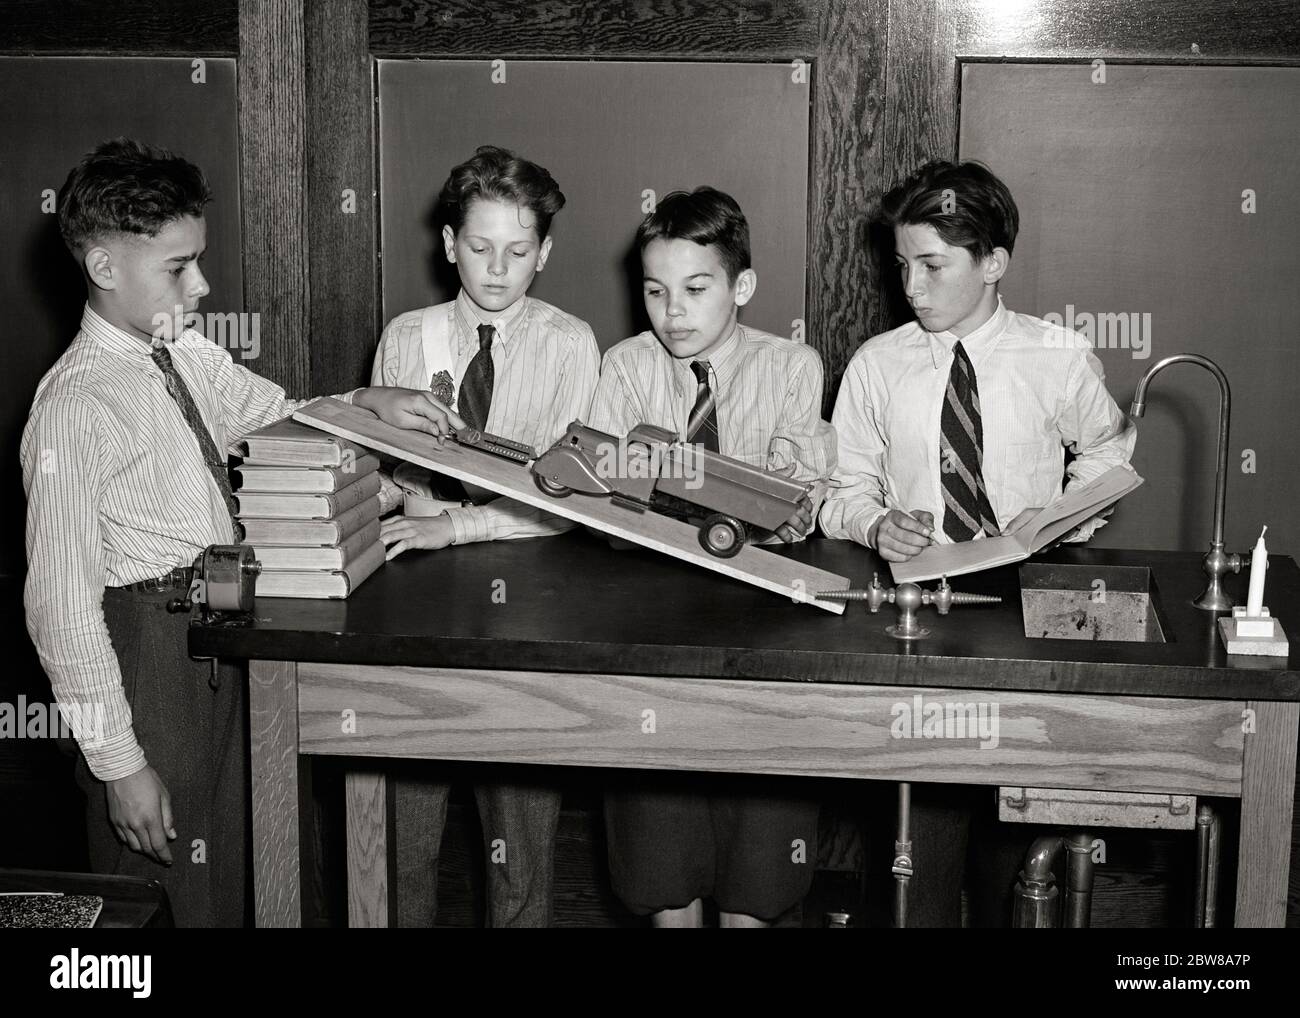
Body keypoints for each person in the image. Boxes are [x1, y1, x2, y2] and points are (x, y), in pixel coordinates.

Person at [21, 137, 451, 927]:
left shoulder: (181, 349)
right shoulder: (72, 410)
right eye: (178, 267)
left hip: (223, 633)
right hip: (147, 661)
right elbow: (60, 608)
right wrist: (120, 764)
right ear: (104, 267)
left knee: (247, 876)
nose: (203, 284)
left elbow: (273, 413)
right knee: (161, 896)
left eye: (199, 260)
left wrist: (368, 399)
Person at [818, 159, 1136, 926]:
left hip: (1027, 612)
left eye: (933, 265)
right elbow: (841, 491)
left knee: (1016, 858)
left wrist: (1059, 516)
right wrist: (872, 522)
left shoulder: (1054, 354)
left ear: (994, 263)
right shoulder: (877, 365)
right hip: (917, 617)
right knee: (914, 857)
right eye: (903, 266)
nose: (912, 288)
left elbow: (1110, 456)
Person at [588, 186, 837, 927]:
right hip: (650, 625)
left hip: (763, 634)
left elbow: (801, 494)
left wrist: (789, 512)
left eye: (697, 290)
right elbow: (606, 498)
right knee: (664, 876)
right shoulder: (626, 365)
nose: (674, 312)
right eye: (656, 291)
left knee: (758, 883)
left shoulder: (792, 365)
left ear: (742, 286)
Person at [372, 145, 599, 927]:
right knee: (405, 828)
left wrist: (456, 527)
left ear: (546, 251)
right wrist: (385, 496)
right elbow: (388, 469)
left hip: (529, 600)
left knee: (521, 839)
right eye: (478, 247)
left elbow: (564, 503)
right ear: (446, 244)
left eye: (517, 250)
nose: (497, 269)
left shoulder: (572, 343)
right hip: (416, 597)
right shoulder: (408, 335)